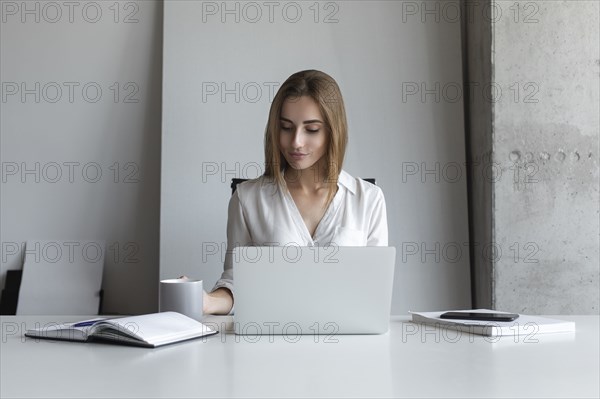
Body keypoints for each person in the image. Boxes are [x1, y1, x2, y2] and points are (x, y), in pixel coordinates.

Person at [203, 69, 388, 315]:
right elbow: (236, 282)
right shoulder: (247, 199)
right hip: (272, 344)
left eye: (311, 129)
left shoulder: (369, 200)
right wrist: (206, 301)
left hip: (348, 345)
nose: (296, 142)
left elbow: (375, 291)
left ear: (333, 131)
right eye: (286, 127)